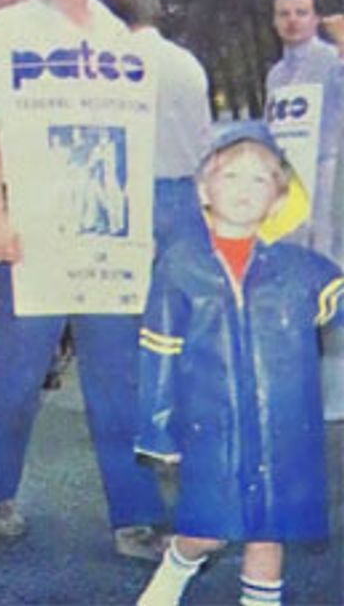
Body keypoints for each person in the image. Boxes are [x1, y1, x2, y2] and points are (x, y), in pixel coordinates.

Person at [0, 0, 167, 559]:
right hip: (30, 238)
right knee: (19, 376)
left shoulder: (121, 40)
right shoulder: (3, 33)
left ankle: (135, 515)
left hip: (107, 238)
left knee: (119, 379)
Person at [134, 122, 343, 606]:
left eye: (260, 178)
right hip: (212, 426)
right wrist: (157, 428)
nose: (244, 188)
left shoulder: (300, 270)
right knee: (208, 529)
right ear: (204, 190)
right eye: (230, 176)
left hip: (281, 429)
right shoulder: (180, 265)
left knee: (270, 529)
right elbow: (159, 349)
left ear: (279, 197)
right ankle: (177, 566)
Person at [263, 0, 344, 421]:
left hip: (329, 182)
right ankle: (300, 389)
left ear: (315, 18)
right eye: (284, 13)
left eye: (301, 12)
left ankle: (337, 393)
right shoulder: (276, 75)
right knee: (292, 287)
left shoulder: (331, 63)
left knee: (331, 281)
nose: (292, 21)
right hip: (288, 192)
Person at [104, 0, 211, 255]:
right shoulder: (186, 63)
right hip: (188, 192)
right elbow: (203, 136)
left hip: (131, 194)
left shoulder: (107, 70)